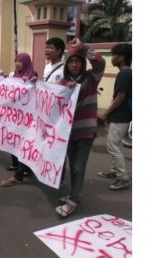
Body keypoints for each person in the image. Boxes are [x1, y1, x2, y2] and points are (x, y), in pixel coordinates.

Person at [55, 38, 106, 217]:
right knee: (71, 164)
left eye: (77, 61)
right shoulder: (61, 83)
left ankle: (74, 200)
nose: (74, 65)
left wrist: (82, 47)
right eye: (71, 62)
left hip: (85, 131)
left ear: (83, 63)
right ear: (66, 64)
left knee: (78, 167)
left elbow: (100, 62)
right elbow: (51, 102)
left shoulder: (92, 78)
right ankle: (74, 194)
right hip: (67, 132)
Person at [98, 43, 132, 190]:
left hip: (121, 116)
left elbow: (120, 97)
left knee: (112, 146)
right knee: (116, 144)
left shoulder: (124, 73)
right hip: (123, 115)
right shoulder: (127, 72)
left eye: (114, 56)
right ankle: (115, 171)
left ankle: (123, 177)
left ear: (121, 57)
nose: (112, 59)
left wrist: (105, 112)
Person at [1, 53, 38, 186]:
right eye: (16, 61)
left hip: (26, 120)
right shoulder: (14, 76)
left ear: (26, 62)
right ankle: (23, 168)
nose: (17, 63)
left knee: (23, 145)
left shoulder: (32, 76)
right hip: (14, 119)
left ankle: (19, 175)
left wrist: (32, 81)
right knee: (15, 143)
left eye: (20, 61)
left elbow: (36, 87)